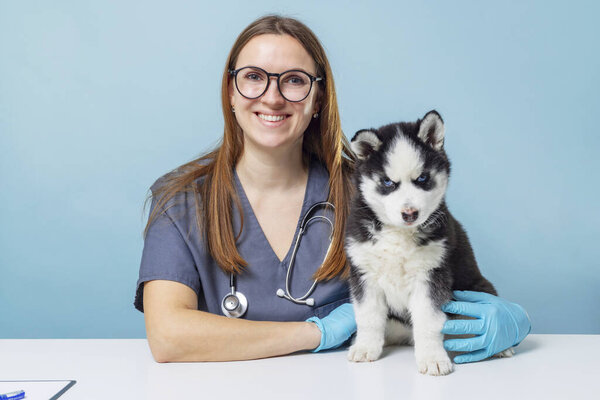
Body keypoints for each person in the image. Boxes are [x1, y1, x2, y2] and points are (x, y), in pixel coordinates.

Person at [134, 14, 531, 363]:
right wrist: (315, 333)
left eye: (294, 81)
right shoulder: (180, 201)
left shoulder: (371, 191)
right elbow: (168, 338)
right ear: (231, 91)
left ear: (318, 98)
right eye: (254, 77)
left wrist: (504, 317)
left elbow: (433, 271)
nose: (272, 97)